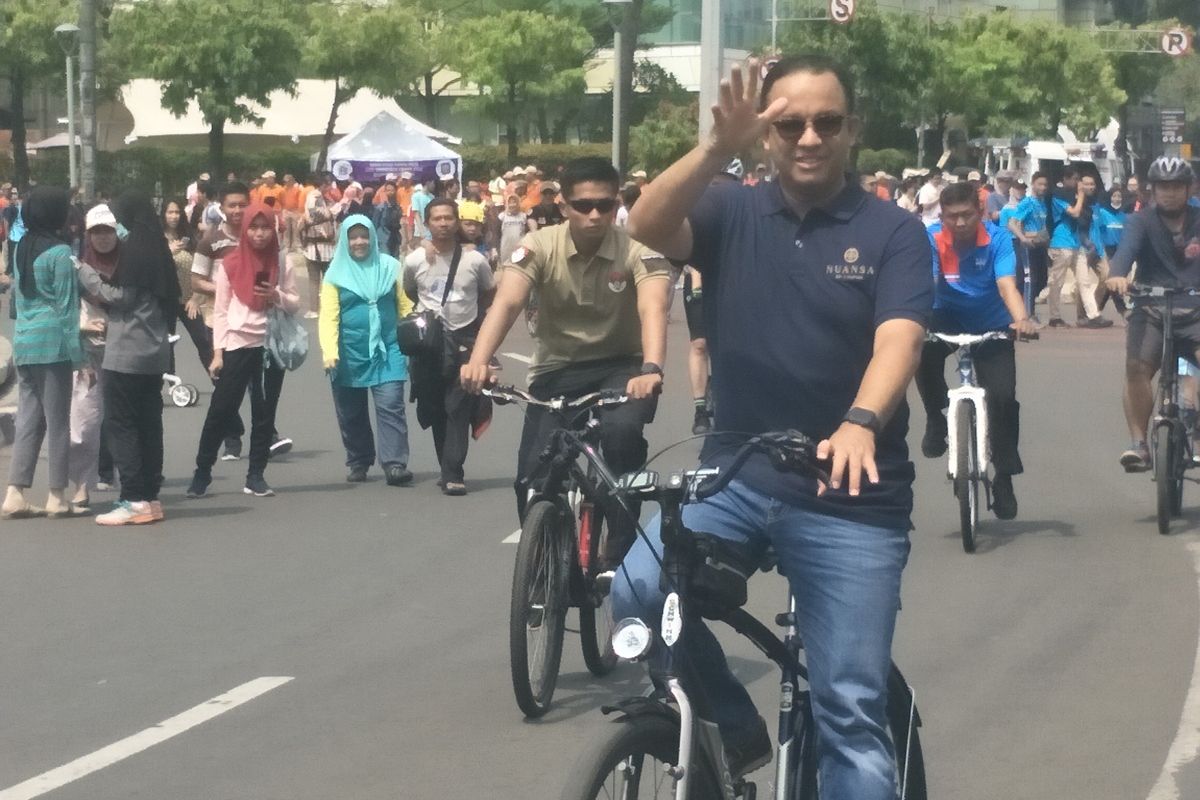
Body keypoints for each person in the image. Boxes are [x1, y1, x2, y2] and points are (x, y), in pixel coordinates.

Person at [610, 55, 933, 795]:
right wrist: (714, 149)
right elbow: (648, 224)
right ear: (766, 134)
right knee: (634, 589)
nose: (809, 137)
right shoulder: (730, 209)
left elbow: (900, 342)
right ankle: (730, 720)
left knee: (849, 707)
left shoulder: (895, 232)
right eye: (789, 124)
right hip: (736, 474)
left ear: (853, 130)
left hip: (852, 496)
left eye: (826, 122)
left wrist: (859, 421)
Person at [460, 155, 671, 550]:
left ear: (617, 205)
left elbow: (653, 307)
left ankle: (621, 532)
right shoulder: (538, 246)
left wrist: (652, 367)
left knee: (621, 433)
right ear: (563, 206)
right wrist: (478, 359)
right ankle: (547, 560)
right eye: (583, 206)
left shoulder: (637, 252)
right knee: (532, 478)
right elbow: (506, 304)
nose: (594, 215)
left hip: (623, 367)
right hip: (557, 369)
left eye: (605, 205)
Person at [914, 181, 1035, 518]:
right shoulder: (931, 236)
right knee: (920, 354)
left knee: (1003, 399)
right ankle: (936, 417)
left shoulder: (998, 239)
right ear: (943, 215)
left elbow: (1005, 284)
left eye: (967, 215)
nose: (960, 223)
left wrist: (1021, 320)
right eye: (952, 216)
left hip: (991, 323)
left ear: (980, 212)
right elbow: (929, 281)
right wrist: (916, 320)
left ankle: (1005, 477)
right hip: (944, 316)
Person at [76, 190, 181, 526]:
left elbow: (120, 297)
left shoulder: (135, 248)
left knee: (122, 425)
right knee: (150, 424)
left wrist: (85, 273)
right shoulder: (158, 246)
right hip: (155, 349)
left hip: (127, 351)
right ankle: (150, 497)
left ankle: (133, 498)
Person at [187, 202, 300, 500]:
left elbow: (294, 303)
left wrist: (274, 295)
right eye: (254, 227)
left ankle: (256, 475)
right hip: (238, 344)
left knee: (264, 414)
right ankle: (202, 472)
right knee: (221, 410)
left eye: (265, 227)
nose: (260, 234)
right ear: (245, 229)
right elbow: (222, 311)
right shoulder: (230, 263)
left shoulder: (282, 261)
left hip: (270, 345)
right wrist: (218, 354)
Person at [1105, 157, 1200, 471]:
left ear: (1190, 189)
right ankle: (1139, 444)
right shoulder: (1140, 221)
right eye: (1163, 187)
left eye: (1176, 187)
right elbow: (1125, 253)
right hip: (1151, 307)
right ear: (1152, 190)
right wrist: (1117, 275)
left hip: (1196, 310)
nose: (1169, 193)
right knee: (1136, 368)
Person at [404, 200, 496, 495]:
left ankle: (454, 472)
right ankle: (446, 467)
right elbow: (409, 291)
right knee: (435, 406)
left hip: (465, 341)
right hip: (429, 345)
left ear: (456, 222)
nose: (442, 223)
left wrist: (477, 327)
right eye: (436, 218)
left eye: (448, 218)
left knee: (459, 404)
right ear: (427, 223)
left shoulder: (475, 261)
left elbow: (488, 292)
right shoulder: (415, 260)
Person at [2, 187, 82, 520]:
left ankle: (15, 493)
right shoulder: (61, 252)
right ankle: (56, 495)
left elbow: (18, 302)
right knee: (58, 421)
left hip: (24, 342)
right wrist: (79, 356)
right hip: (54, 344)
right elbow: (67, 308)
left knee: (29, 420)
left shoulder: (21, 248)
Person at [320, 216, 414, 485]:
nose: (359, 242)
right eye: (353, 237)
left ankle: (395, 464)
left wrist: (412, 345)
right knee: (351, 412)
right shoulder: (334, 275)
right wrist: (330, 351)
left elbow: (405, 307)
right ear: (344, 241)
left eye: (364, 236)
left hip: (389, 349)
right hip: (348, 352)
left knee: (391, 405)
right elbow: (329, 317)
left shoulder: (391, 267)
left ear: (373, 238)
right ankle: (359, 460)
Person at [67, 205, 121, 513]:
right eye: (97, 232)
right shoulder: (76, 267)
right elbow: (63, 308)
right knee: (85, 422)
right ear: (88, 235)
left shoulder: (128, 264)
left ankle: (131, 481)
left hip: (122, 350)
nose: (102, 237)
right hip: (87, 351)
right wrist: (82, 325)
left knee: (121, 419)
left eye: (108, 231)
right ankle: (80, 486)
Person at [1047, 171, 1114, 329]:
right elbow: (1075, 212)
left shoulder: (1076, 197)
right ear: (1065, 179)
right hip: (1061, 242)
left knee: (1084, 281)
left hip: (1077, 244)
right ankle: (1054, 317)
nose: (1077, 183)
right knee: (1057, 282)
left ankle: (1093, 315)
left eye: (1078, 179)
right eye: (1074, 179)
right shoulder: (1058, 196)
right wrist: (1081, 195)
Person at [1008, 171, 1051, 310]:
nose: (1043, 187)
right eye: (1040, 184)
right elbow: (1012, 223)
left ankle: (1021, 304)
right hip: (1028, 246)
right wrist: (1023, 238)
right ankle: (1028, 314)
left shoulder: (1043, 203)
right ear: (1033, 184)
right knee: (1030, 280)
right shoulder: (1027, 202)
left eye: (1045, 185)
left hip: (1041, 245)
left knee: (1043, 279)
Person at [301, 173, 341, 319]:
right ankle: (316, 309)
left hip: (324, 245)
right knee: (318, 279)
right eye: (330, 184)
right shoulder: (314, 196)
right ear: (325, 183)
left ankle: (322, 308)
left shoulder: (322, 197)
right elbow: (314, 215)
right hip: (317, 245)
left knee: (324, 279)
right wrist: (332, 211)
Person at [497, 193, 528, 265]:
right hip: (505, 246)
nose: (512, 204)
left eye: (514, 202)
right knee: (506, 267)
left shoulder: (524, 216)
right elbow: (497, 233)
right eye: (510, 202)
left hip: (520, 246)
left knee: (520, 267)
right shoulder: (502, 216)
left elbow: (527, 232)